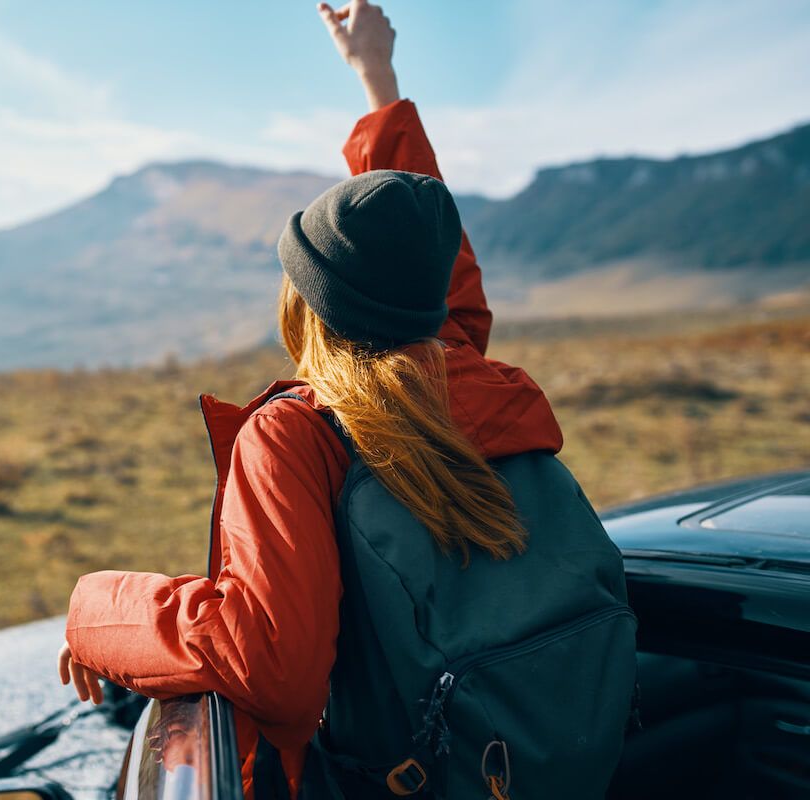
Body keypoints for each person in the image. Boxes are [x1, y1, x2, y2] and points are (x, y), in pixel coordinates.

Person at [60, 2, 634, 798]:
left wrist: (95, 610)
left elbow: (274, 667)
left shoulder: (297, 436)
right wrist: (377, 79)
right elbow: (431, 261)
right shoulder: (464, 379)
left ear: (309, 305)